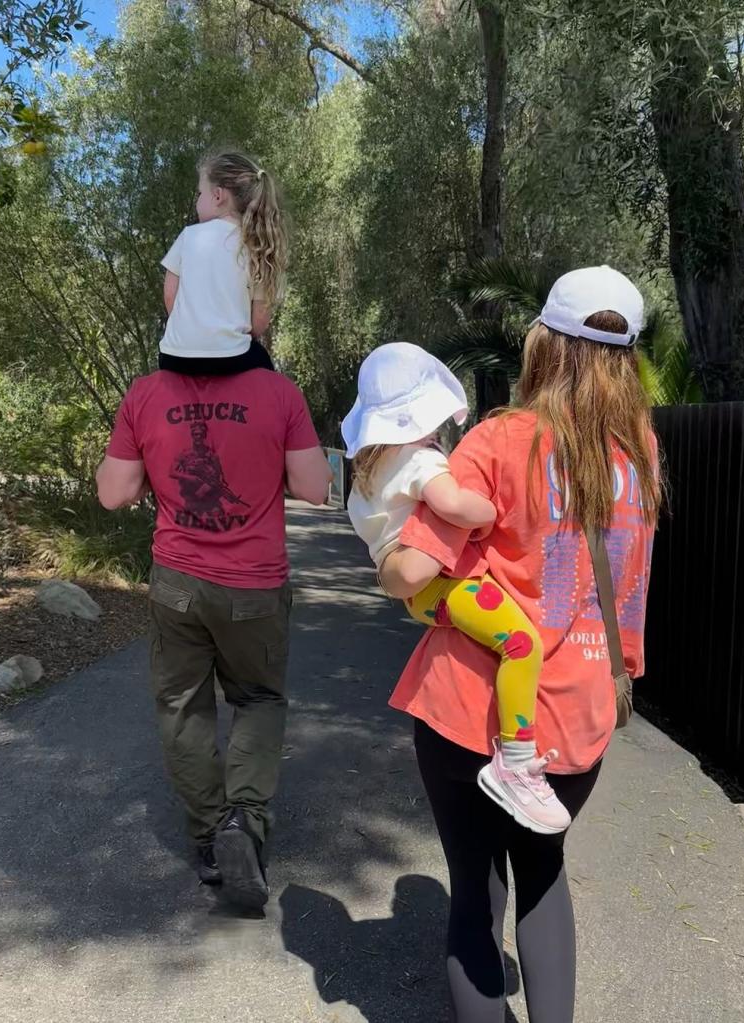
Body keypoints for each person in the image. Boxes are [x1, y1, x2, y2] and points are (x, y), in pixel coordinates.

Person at [380, 266, 661, 1022]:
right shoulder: (638, 459)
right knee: (542, 874)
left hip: (470, 712)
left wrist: (385, 557)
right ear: (625, 360)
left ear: (544, 343)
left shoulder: (499, 439)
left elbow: (413, 569)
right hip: (580, 715)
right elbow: (629, 590)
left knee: (473, 889)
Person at [96, 354, 331, 911]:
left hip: (176, 583)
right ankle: (244, 824)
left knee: (182, 703)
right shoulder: (278, 393)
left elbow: (113, 493)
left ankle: (207, 839)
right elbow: (316, 488)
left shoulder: (146, 393)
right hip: (254, 585)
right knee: (258, 697)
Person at [342, 342, 571, 833]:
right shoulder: (421, 461)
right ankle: (515, 757)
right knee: (521, 642)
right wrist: (488, 513)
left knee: (499, 637)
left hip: (418, 596)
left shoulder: (367, 474)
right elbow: (452, 504)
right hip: (444, 584)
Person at [159, 150, 287, 376]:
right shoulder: (258, 247)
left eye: (199, 194)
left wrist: (190, 331)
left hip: (174, 357)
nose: (197, 200)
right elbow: (259, 320)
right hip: (232, 359)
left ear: (218, 195)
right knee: (264, 364)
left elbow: (170, 295)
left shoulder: (189, 235)